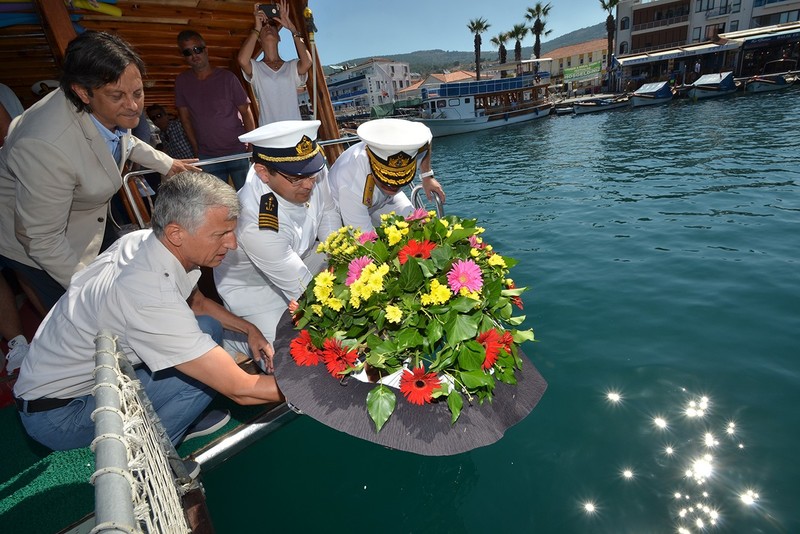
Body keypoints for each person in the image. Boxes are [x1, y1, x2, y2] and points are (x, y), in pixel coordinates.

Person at [13, 171, 283, 452]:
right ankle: (151, 459)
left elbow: (197, 303)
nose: (232, 243)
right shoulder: (148, 294)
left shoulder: (143, 240)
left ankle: (174, 420)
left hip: (64, 390)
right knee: (204, 375)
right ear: (176, 233)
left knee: (209, 329)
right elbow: (240, 388)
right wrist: (315, 387)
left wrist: (250, 330)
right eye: (221, 234)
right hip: (61, 415)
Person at [0, 31, 197, 314]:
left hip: (83, 219)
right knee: (82, 316)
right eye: (118, 96)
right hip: (36, 243)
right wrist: (93, 287)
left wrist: (166, 163)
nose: (133, 106)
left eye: (138, 92)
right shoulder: (44, 145)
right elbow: (40, 238)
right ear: (83, 92)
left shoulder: (105, 102)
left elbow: (123, 140)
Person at [214, 120, 340, 355]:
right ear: (263, 172)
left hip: (299, 257)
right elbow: (303, 291)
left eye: (312, 174)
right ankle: (235, 338)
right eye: (297, 179)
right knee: (288, 357)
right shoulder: (256, 221)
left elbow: (329, 211)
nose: (309, 184)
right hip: (257, 290)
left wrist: (338, 259)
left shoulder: (308, 171)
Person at [328, 118, 445, 232]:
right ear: (371, 162)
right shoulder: (351, 182)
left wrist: (427, 176)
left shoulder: (415, 146)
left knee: (419, 226)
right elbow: (365, 243)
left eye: (400, 180)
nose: (393, 187)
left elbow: (427, 141)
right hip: (343, 209)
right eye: (387, 181)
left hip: (384, 198)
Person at [175, 29, 256, 190]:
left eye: (197, 49)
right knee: (219, 203)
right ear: (183, 56)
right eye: (188, 52)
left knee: (248, 196)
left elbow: (246, 112)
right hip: (207, 155)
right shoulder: (182, 82)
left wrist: (251, 145)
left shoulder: (227, 78)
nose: (194, 55)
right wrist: (196, 149)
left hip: (237, 150)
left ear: (206, 50)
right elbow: (185, 119)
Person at [237, 0, 312, 125]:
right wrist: (256, 27)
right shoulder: (256, 68)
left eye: (272, 25)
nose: (267, 27)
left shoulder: (291, 66)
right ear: (259, 39)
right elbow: (242, 60)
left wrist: (292, 28)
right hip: (269, 134)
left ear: (279, 37)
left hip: (294, 131)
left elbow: (307, 62)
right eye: (264, 25)